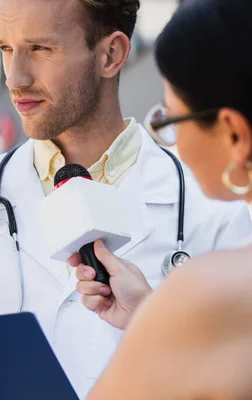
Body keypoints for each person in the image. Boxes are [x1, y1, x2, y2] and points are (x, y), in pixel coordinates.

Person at [0, 0, 252, 397]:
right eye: (5, 48)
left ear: (112, 54)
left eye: (40, 49)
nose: (14, 78)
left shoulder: (214, 203)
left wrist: (154, 317)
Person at [69, 0, 252, 398]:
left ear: (234, 135)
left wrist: (163, 320)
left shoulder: (208, 294)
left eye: (169, 120)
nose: (172, 143)